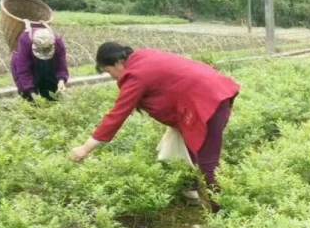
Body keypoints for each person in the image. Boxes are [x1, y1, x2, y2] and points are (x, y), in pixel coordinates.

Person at [70, 43, 240, 210]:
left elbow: (117, 116)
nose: (112, 77)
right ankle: (193, 191)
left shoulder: (135, 75)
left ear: (117, 63)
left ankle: (221, 214)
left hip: (206, 103)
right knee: (191, 149)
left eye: (108, 71)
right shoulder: (143, 56)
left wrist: (85, 149)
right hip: (212, 93)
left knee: (207, 162)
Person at [11, 25, 69, 102]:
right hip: (25, 62)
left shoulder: (58, 42)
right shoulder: (25, 40)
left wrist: (61, 81)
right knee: (29, 95)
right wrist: (32, 92)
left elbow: (61, 66)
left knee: (51, 91)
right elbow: (23, 70)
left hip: (49, 62)